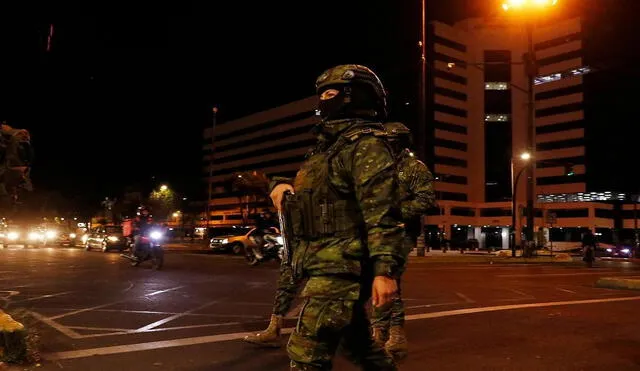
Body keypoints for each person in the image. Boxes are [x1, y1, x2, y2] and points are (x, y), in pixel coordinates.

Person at [269, 64, 403, 371]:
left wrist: (384, 271)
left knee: (307, 352)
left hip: (342, 267)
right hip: (321, 262)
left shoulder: (367, 145)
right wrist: (279, 184)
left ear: (353, 97)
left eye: (330, 93)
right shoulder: (326, 149)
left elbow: (381, 212)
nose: (322, 101)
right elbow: (313, 197)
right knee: (360, 348)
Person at [370, 122, 436, 360]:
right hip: (377, 230)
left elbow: (426, 199)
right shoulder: (377, 168)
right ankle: (380, 329)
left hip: (401, 231)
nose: (386, 145)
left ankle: (393, 332)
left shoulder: (415, 168)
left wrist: (396, 211)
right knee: (376, 277)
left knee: (389, 275)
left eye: (391, 141)